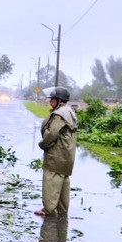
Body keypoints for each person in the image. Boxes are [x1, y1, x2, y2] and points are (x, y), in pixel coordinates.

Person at [34, 87, 77, 217]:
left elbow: (52, 133)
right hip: (67, 154)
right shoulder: (69, 111)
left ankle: (49, 210)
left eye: (52, 99)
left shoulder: (60, 114)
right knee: (63, 181)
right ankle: (62, 209)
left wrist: (43, 144)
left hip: (57, 154)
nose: (50, 102)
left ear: (59, 100)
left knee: (51, 180)